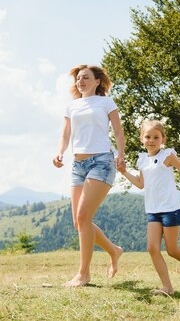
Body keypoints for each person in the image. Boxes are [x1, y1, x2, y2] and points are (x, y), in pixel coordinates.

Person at [119, 119, 180, 296]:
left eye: (156, 137)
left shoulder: (167, 156)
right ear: (141, 139)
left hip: (170, 209)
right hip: (153, 211)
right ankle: (167, 287)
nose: (151, 140)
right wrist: (124, 172)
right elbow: (140, 184)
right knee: (152, 248)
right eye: (147, 136)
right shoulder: (143, 160)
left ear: (163, 139)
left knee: (172, 250)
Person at [53, 64, 125, 287]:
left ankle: (83, 274)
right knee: (79, 222)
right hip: (78, 164)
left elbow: (118, 129)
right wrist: (60, 152)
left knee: (84, 217)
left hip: (102, 162)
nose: (80, 82)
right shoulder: (72, 106)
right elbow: (66, 133)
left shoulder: (105, 102)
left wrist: (121, 153)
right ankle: (114, 250)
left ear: (97, 82)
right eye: (78, 79)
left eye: (85, 78)